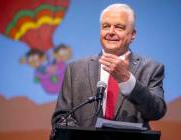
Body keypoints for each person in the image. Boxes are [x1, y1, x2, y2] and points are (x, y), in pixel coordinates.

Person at [51, 3, 167, 135]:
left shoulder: (151, 68)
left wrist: (127, 80)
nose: (111, 32)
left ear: (132, 34)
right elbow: (61, 118)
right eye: (106, 26)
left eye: (119, 27)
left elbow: (157, 111)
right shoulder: (75, 69)